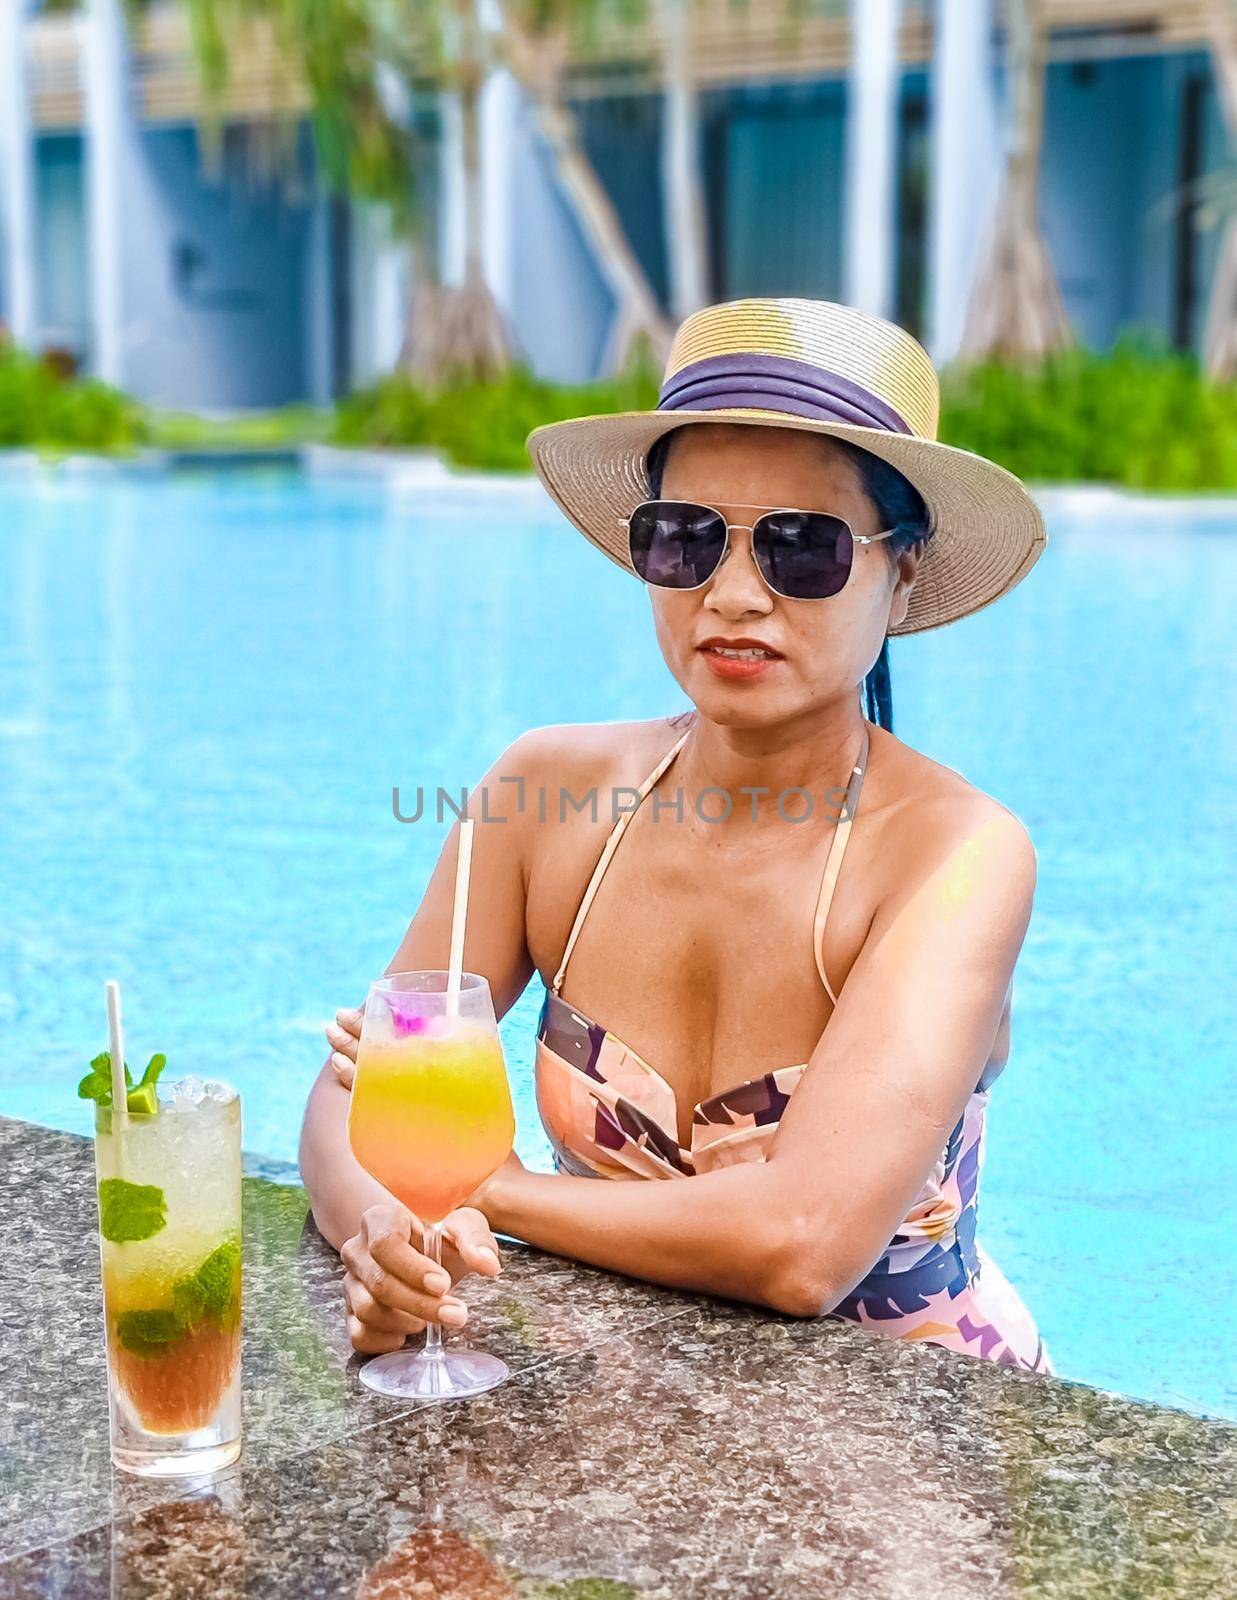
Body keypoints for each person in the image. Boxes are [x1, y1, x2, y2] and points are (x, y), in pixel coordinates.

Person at [300, 296, 1053, 1374]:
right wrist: (391, 1237)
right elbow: (351, 1090)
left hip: (909, 1449)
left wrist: (485, 1185)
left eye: (802, 548)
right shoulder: (542, 796)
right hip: (612, 1422)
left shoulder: (956, 855)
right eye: (686, 538)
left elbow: (804, 1248)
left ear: (905, 569)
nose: (734, 594)